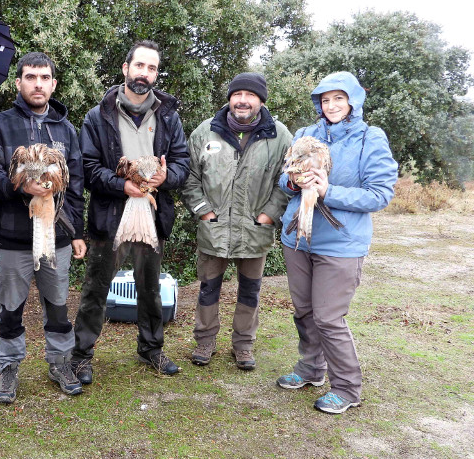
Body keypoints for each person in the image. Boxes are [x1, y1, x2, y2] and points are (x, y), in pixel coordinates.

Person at [275, 71, 397, 414]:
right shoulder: (304, 134)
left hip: (341, 243)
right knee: (304, 311)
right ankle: (311, 369)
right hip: (298, 237)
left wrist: (329, 191)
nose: (331, 106)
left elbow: (379, 194)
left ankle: (346, 388)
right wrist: (293, 183)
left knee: (328, 317)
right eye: (325, 99)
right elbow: (283, 180)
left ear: (353, 101)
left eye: (338, 98)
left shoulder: (369, 138)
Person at [70, 40, 190, 382]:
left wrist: (167, 178)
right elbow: (89, 167)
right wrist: (122, 185)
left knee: (150, 286)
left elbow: (182, 163)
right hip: (111, 215)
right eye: (140, 66)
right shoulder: (98, 116)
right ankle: (81, 355)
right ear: (125, 69)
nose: (145, 73)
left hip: (151, 215)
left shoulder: (168, 116)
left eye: (152, 68)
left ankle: (151, 349)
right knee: (96, 287)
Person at [0, 52, 86, 403]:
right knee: (10, 307)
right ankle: (8, 367)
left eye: (44, 78)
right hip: (14, 238)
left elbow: (78, 184)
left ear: (54, 84)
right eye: (30, 77)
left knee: (57, 305)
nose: (38, 83)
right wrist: (19, 186)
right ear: (19, 82)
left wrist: (78, 232)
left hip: (58, 237)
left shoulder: (66, 130)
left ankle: (60, 363)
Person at [181, 73, 292, 370]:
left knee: (249, 291)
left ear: (261, 101)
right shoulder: (205, 132)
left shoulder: (279, 136)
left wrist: (269, 214)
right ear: (229, 98)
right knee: (208, 288)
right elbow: (190, 178)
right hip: (213, 229)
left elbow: (287, 182)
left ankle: (243, 346)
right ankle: (205, 341)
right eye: (237, 94)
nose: (242, 100)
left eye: (250, 95)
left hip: (256, 231)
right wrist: (204, 210)